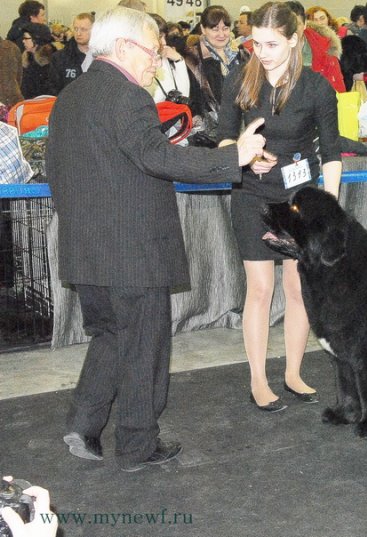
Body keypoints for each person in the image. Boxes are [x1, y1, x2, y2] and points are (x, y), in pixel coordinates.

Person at [46, 6, 267, 472]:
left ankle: (83, 423)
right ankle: (137, 445)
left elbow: (60, 172)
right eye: (153, 51)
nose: (157, 60)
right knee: (145, 347)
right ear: (124, 47)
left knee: (110, 336)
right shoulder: (128, 97)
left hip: (85, 249)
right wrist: (235, 160)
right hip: (133, 251)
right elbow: (156, 157)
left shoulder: (70, 96)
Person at [217, 1, 341, 412]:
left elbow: (333, 153)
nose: (262, 52)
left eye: (272, 44)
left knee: (298, 289)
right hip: (250, 193)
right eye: (256, 43)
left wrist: (330, 209)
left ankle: (292, 372)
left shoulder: (318, 88)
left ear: (294, 40)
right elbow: (221, 140)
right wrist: (244, 154)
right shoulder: (238, 81)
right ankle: (257, 378)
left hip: (297, 199)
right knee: (260, 289)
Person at [184, 5, 247, 143]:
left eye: (225, 28)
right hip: (208, 135)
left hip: (243, 128)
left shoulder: (241, 52)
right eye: (215, 29)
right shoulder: (193, 57)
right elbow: (191, 96)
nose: (221, 34)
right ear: (203, 29)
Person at [285, 1, 346, 93]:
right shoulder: (265, 50)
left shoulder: (326, 47)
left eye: (297, 24)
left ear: (305, 24)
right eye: (287, 25)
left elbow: (338, 87)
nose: (292, 29)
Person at [48, 12, 93, 94]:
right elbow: (53, 89)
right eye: (76, 29)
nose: (78, 33)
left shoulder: (101, 58)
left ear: (93, 30)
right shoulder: (59, 58)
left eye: (83, 29)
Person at [19, 23, 55, 99]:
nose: (23, 41)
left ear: (36, 40)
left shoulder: (50, 63)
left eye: (26, 38)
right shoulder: (28, 59)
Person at [0, 36, 24, 112]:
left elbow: (19, 76)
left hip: (13, 101)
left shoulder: (12, 48)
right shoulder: (11, 47)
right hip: (12, 99)